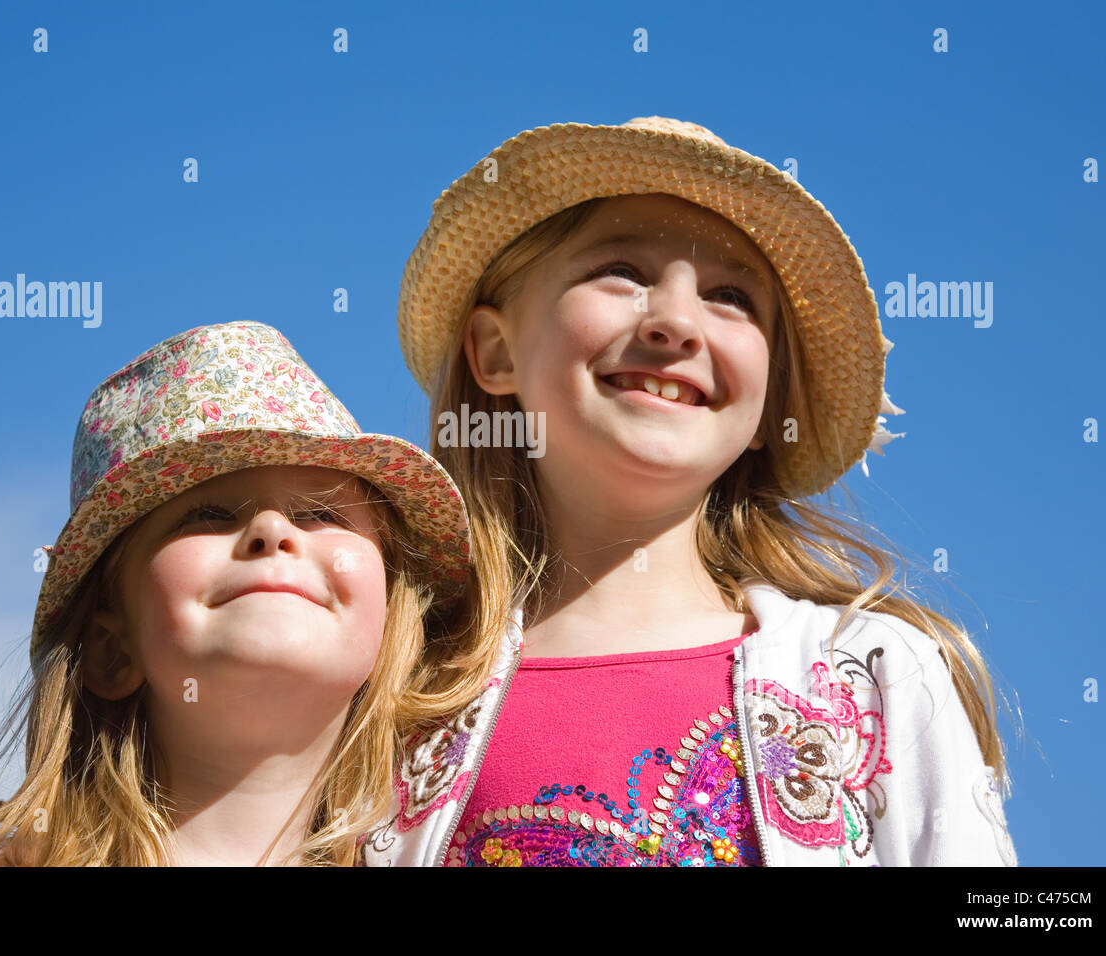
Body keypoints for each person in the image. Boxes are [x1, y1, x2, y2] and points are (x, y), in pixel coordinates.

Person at [362, 116, 1018, 866]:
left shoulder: (876, 675)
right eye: (623, 273)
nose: (675, 321)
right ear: (496, 351)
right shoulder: (392, 697)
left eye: (731, 295)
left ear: (772, 405)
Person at [0, 321, 470, 866]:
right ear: (113, 649)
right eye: (209, 515)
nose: (271, 531)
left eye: (319, 513)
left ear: (394, 615)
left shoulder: (476, 842)